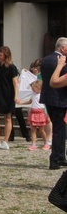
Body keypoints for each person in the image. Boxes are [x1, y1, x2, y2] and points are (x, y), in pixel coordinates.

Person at [0, 46, 20, 150]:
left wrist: (16, 95)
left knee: (7, 118)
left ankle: (5, 141)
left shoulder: (12, 67)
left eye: (0, 55)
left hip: (8, 93)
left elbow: (15, 83)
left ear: (6, 56)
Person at [44, 40, 67, 169]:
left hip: (48, 98)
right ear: (63, 48)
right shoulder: (62, 62)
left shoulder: (46, 60)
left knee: (59, 129)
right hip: (60, 99)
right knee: (59, 130)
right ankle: (55, 159)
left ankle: (61, 156)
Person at [24, 80, 50, 151]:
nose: (33, 89)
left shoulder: (42, 95)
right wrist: (21, 102)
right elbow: (30, 101)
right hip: (33, 112)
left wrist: (47, 115)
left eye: (34, 88)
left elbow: (46, 106)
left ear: (39, 88)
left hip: (40, 113)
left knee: (41, 130)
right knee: (33, 130)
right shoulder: (33, 94)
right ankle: (33, 144)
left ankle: (46, 143)